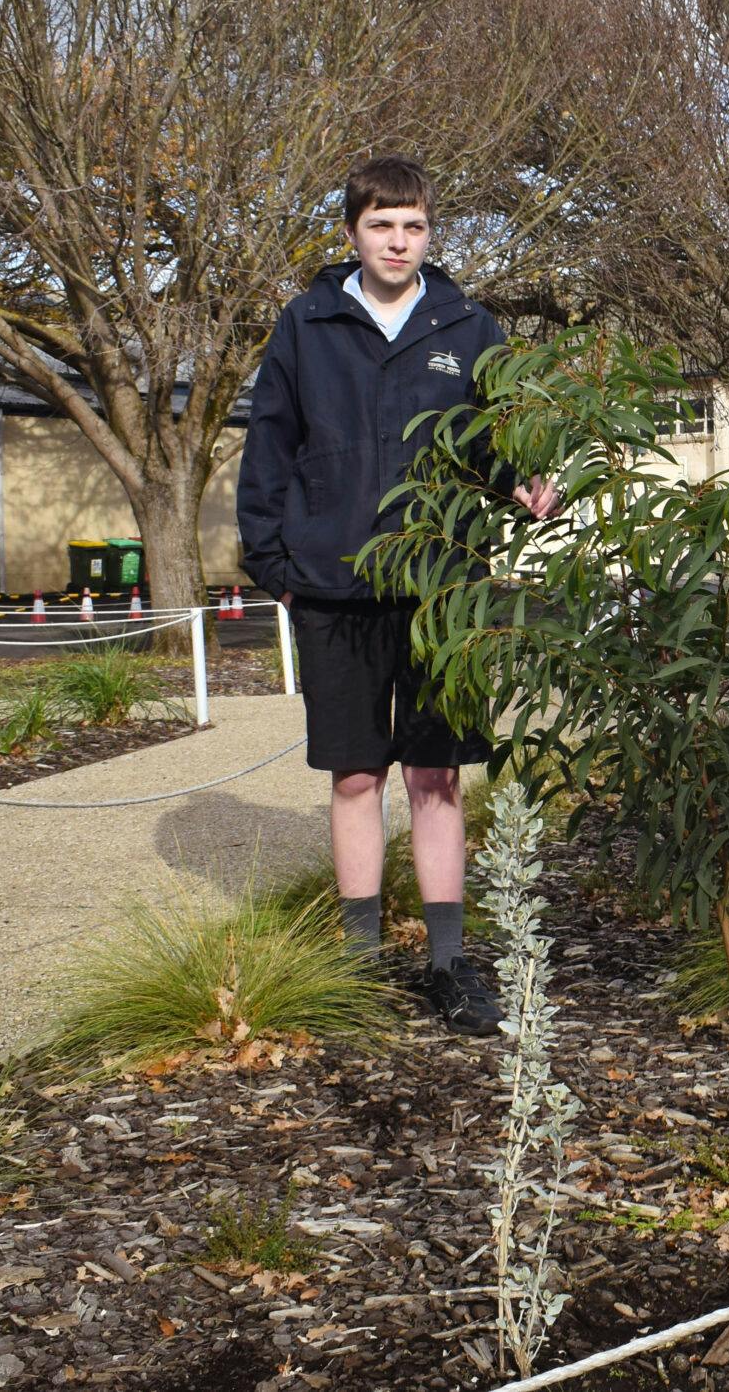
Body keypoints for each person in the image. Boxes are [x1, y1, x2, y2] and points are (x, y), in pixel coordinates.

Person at [237, 155, 557, 1034]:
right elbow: (268, 447)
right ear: (352, 233)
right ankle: (360, 965)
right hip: (333, 589)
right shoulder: (306, 325)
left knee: (436, 775)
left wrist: (524, 478)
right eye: (382, 225)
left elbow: (497, 442)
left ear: (429, 233)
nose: (398, 240)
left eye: (413, 226)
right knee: (354, 776)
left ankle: (449, 965)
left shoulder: (470, 326)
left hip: (443, 592)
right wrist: (277, 568)